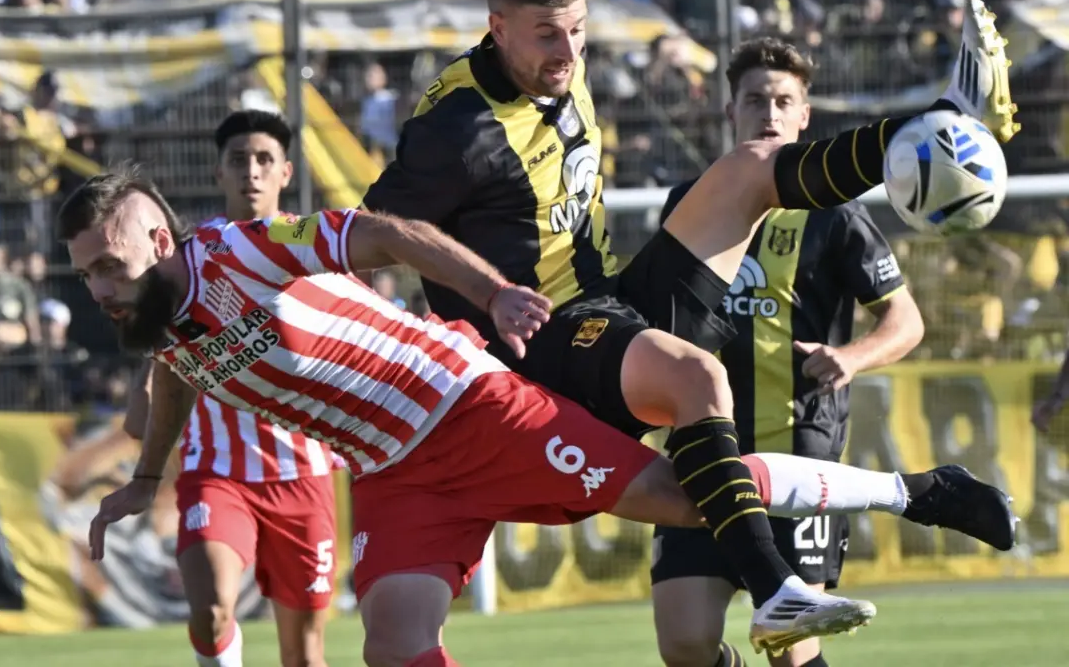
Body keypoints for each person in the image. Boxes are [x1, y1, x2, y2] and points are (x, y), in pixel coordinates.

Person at [360, 0, 1018, 658]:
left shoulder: (541, 52)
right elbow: (378, 231)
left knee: (750, 170)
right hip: (532, 350)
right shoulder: (455, 132)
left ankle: (935, 127)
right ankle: (818, 564)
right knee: (698, 398)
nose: (568, 54)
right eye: (548, 37)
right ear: (497, 30)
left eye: (577, 32)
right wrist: (487, 293)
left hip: (599, 313)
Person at [66, 170, 1015, 666]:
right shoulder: (160, 323)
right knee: (392, 641)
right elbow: (176, 379)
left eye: (110, 265)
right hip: (393, 470)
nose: (100, 289)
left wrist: (493, 292)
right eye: (87, 275)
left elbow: (386, 234)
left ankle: (919, 490)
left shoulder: (240, 249)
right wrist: (145, 479)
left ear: (160, 239)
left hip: (463, 403)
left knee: (686, 501)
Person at [650, 39, 926, 667]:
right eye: (754, 101)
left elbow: (905, 320)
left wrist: (852, 357)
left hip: (800, 458)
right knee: (684, 644)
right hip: (704, 454)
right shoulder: (688, 203)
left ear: (805, 116)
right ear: (730, 113)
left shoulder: (835, 216)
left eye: (783, 102)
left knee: (790, 650)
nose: (768, 114)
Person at [123, 111, 339, 667]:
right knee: (213, 609)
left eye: (265, 159)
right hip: (217, 472)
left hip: (304, 477)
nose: (252, 171)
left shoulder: (319, 254)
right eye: (238, 159)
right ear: (218, 173)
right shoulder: (188, 264)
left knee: (305, 653)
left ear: (286, 172)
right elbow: (155, 366)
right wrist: (144, 396)